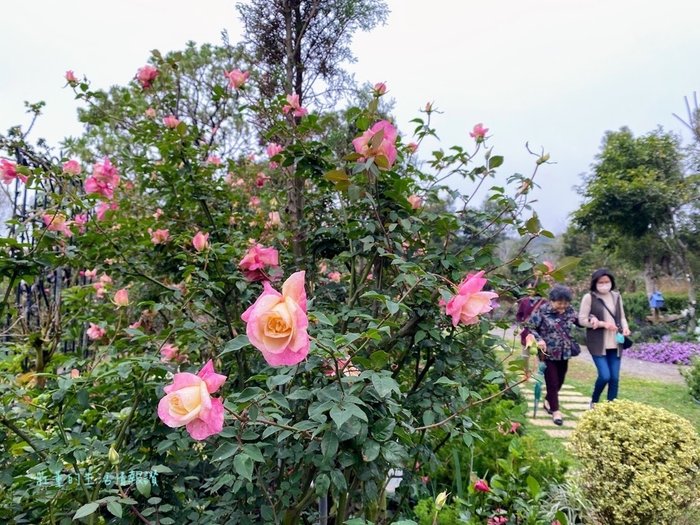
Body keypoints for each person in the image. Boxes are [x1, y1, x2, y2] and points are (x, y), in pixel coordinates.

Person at [526, 284, 581, 426]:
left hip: (564, 352)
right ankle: (556, 411)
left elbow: (579, 320)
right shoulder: (542, 311)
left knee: (560, 381)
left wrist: (591, 318)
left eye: (565, 303)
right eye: (559, 303)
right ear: (551, 300)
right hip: (547, 353)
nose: (562, 306)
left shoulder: (569, 311)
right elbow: (529, 326)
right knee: (552, 381)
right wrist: (539, 339)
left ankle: (548, 400)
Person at [578, 268, 631, 407]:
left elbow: (622, 317)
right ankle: (594, 401)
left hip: (616, 342)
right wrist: (602, 324)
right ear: (595, 283)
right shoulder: (589, 297)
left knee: (614, 378)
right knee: (605, 376)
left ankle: (611, 407)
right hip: (598, 343)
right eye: (601, 282)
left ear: (611, 282)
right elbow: (582, 320)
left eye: (607, 282)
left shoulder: (616, 296)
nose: (604, 284)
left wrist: (625, 327)